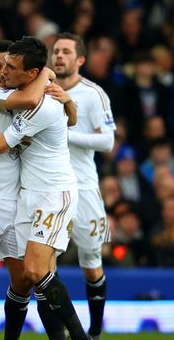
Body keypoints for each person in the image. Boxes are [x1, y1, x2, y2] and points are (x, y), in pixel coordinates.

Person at [0, 36, 87, 340]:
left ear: (29, 72)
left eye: (10, 66)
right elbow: (38, 106)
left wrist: (66, 99)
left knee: (28, 276)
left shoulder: (37, 97)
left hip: (33, 194)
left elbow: (34, 109)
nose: (3, 72)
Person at [53, 32, 116, 340]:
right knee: (42, 266)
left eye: (66, 51)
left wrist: (68, 136)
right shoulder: (40, 92)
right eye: (56, 51)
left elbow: (108, 141)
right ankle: (59, 331)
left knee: (91, 264)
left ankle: (94, 330)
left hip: (84, 189)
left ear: (79, 59)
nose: (59, 56)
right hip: (48, 189)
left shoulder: (93, 94)